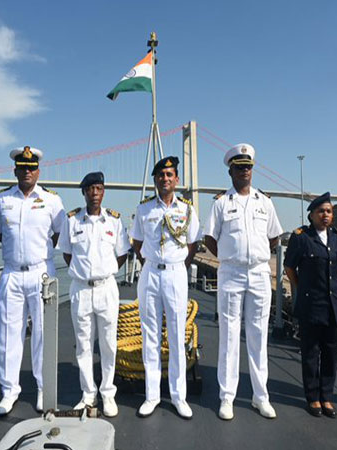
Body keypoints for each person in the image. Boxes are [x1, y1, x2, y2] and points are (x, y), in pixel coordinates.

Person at [203, 143, 282, 421]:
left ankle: (261, 397)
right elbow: (209, 238)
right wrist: (228, 256)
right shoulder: (221, 203)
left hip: (259, 273)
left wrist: (256, 256)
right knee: (229, 335)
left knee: (259, 336)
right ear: (231, 172)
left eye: (248, 167)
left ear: (252, 169)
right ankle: (227, 397)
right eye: (239, 168)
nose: (245, 171)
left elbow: (274, 236)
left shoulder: (265, 202)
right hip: (231, 274)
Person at [0, 146, 66, 416]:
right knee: (9, 335)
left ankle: (44, 388)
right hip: (11, 273)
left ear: (38, 171)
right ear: (15, 170)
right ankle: (9, 391)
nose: (27, 172)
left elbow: (58, 235)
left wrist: (36, 257)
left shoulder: (52, 201)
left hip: (41, 273)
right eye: (22, 168)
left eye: (31, 168)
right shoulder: (1, 200)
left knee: (43, 334)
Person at [130, 156, 200, 419]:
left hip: (175, 274)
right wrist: (150, 263)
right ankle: (152, 395)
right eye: (161, 175)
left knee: (176, 335)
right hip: (150, 274)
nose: (166, 179)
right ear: (155, 180)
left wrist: (178, 265)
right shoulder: (144, 209)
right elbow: (137, 242)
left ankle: (178, 396)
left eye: (170, 174)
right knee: (150, 335)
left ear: (177, 179)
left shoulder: (187, 209)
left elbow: (192, 243)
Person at [57, 171, 131, 418]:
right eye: (90, 189)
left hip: (106, 288)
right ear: (84, 192)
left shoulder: (114, 221)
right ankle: (88, 394)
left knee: (109, 344)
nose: (95, 193)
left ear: (104, 191)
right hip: (80, 289)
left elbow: (122, 254)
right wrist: (83, 273)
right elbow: (67, 254)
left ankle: (108, 393)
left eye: (99, 188)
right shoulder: (72, 221)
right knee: (83, 345)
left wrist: (104, 272)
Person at [284, 192, 337, 419]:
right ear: (311, 215)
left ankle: (327, 397)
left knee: (331, 353)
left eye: (329, 211)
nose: (325, 215)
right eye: (321, 211)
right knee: (311, 353)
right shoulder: (301, 238)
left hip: (335, 306)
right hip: (312, 305)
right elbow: (289, 267)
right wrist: (302, 288)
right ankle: (312, 397)